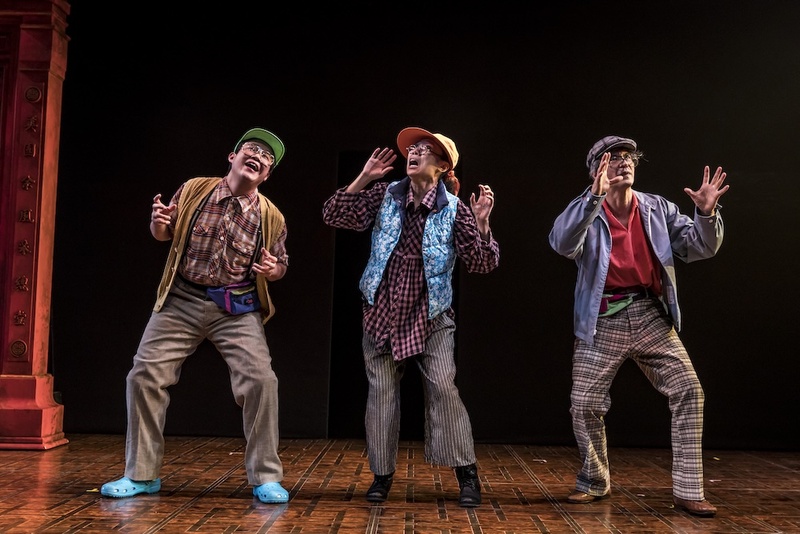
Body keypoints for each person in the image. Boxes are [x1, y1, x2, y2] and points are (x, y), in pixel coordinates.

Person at [100, 128, 291, 504]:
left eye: (266, 159)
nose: (258, 157)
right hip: (182, 298)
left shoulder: (271, 216)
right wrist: (158, 221)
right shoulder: (194, 189)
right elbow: (163, 234)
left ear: (266, 175)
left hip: (234, 308)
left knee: (261, 382)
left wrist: (272, 270)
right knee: (144, 375)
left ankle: (266, 478)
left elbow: (281, 264)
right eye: (251, 149)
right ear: (232, 157)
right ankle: (141, 475)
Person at [548, 135, 729, 517]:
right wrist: (592, 199)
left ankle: (688, 489)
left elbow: (699, 246)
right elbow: (562, 244)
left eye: (628, 157)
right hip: (603, 317)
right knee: (583, 404)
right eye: (612, 158)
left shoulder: (657, 208)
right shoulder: (586, 210)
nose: (623, 163)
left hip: (649, 314)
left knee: (689, 391)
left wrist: (707, 215)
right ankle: (595, 481)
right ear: (596, 169)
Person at [322, 127, 499, 507]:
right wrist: (365, 176)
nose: (414, 152)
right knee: (382, 392)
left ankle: (466, 474)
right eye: (412, 148)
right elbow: (334, 214)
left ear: (441, 166)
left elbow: (482, 263)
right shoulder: (386, 196)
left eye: (425, 150)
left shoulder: (455, 210)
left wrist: (483, 224)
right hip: (382, 308)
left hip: (431, 312)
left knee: (442, 386)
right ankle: (381, 475)